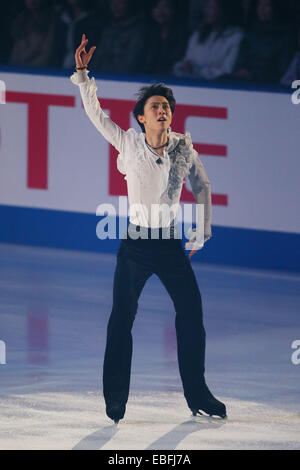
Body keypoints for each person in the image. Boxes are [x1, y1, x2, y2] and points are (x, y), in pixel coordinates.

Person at [70, 34, 227, 424]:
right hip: (136, 245)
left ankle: (198, 393)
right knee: (122, 318)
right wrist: (84, 75)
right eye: (156, 106)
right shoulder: (129, 144)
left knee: (191, 312)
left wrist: (202, 229)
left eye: (167, 107)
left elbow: (203, 186)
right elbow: (96, 115)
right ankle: (116, 399)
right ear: (142, 116)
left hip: (169, 246)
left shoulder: (182, 149)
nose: (163, 111)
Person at [173, 0, 244, 81]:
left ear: (222, 10)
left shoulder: (235, 36)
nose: (207, 11)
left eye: (212, 7)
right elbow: (187, 60)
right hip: (192, 85)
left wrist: (197, 71)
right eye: (206, 7)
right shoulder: (197, 35)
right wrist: (183, 67)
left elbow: (227, 71)